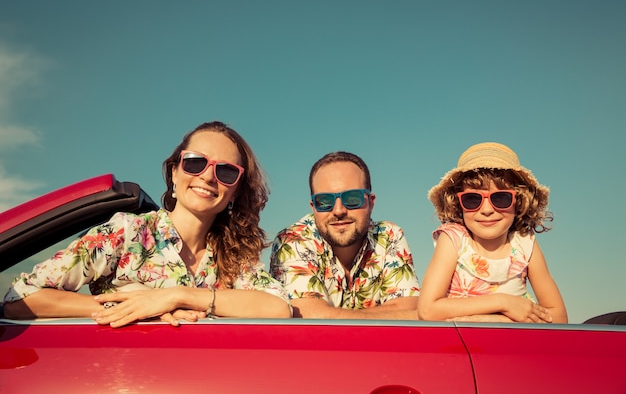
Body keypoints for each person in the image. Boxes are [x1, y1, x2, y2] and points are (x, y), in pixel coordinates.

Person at [3, 121, 291, 327]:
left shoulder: (234, 256)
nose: (207, 176)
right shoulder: (128, 233)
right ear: (175, 172)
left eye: (226, 171)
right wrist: (133, 308)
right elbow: (22, 299)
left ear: (236, 191)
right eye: (195, 162)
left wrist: (177, 297)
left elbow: (279, 308)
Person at [418, 142, 567, 323]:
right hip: (459, 347)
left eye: (501, 198)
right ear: (458, 204)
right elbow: (427, 310)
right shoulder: (454, 240)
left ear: (519, 201)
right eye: (472, 199)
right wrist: (503, 303)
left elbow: (559, 318)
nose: (487, 210)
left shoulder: (525, 244)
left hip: (513, 348)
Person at [270, 151, 420, 319]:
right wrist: (389, 315)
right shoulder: (292, 240)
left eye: (352, 198)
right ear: (313, 207)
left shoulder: (390, 236)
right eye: (324, 201)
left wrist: (330, 315)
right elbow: (309, 318)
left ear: (370, 202)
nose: (339, 210)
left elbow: (409, 308)